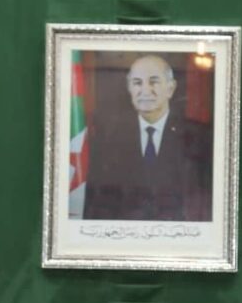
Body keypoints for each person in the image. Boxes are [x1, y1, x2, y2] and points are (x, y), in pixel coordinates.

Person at [83, 54, 213, 221]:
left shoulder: (199, 138)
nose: (145, 90)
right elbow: (96, 206)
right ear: (129, 88)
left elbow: (206, 205)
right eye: (137, 83)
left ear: (170, 88)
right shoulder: (108, 140)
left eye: (154, 81)